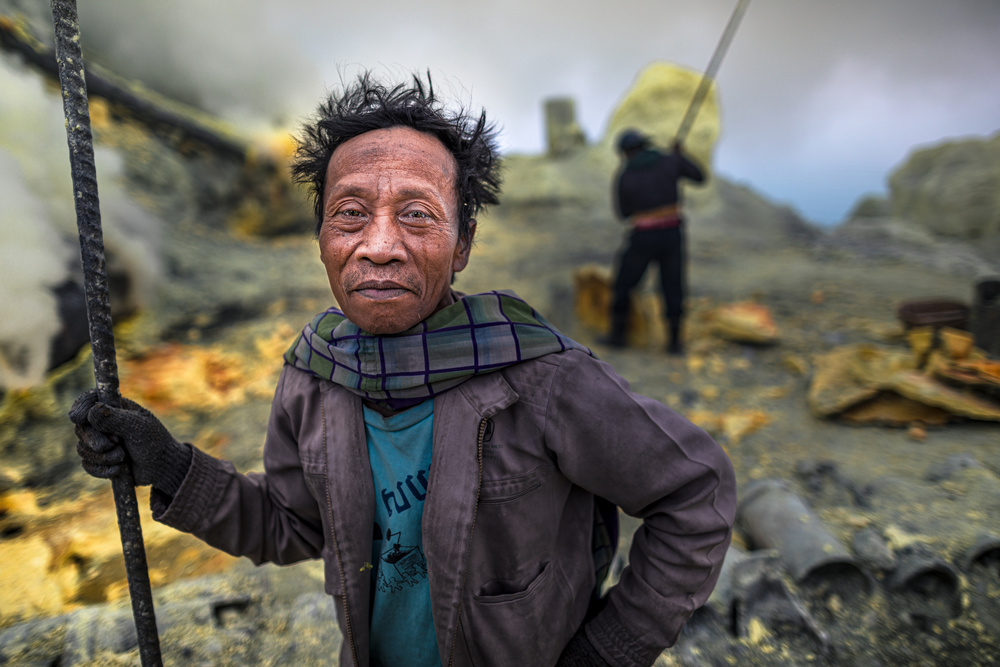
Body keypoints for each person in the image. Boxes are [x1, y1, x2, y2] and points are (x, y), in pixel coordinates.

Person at [70, 73, 735, 667]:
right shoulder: (315, 376)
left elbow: (695, 493)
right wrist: (173, 468)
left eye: (417, 214)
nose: (380, 247)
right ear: (322, 238)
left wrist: (608, 648)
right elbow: (291, 522)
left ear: (464, 243)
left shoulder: (541, 377)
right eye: (351, 214)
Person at [604, 129, 706, 354]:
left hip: (643, 236)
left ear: (625, 153)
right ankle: (674, 342)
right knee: (672, 285)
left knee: (624, 284)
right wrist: (681, 155)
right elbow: (700, 177)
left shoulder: (625, 175)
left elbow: (623, 213)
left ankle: (618, 335)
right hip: (672, 233)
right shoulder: (670, 161)